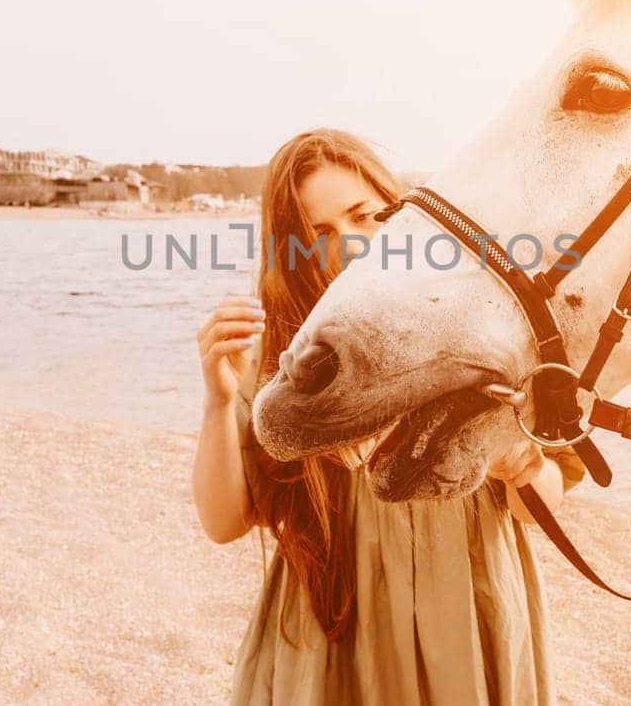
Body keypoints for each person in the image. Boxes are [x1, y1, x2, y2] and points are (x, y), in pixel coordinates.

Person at [193, 128, 584, 704]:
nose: (349, 244)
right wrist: (219, 399)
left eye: (366, 216)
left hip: (469, 609)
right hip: (336, 627)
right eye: (318, 232)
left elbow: (538, 509)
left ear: (403, 211)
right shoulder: (284, 359)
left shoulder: (478, 333)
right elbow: (224, 523)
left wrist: (520, 463)